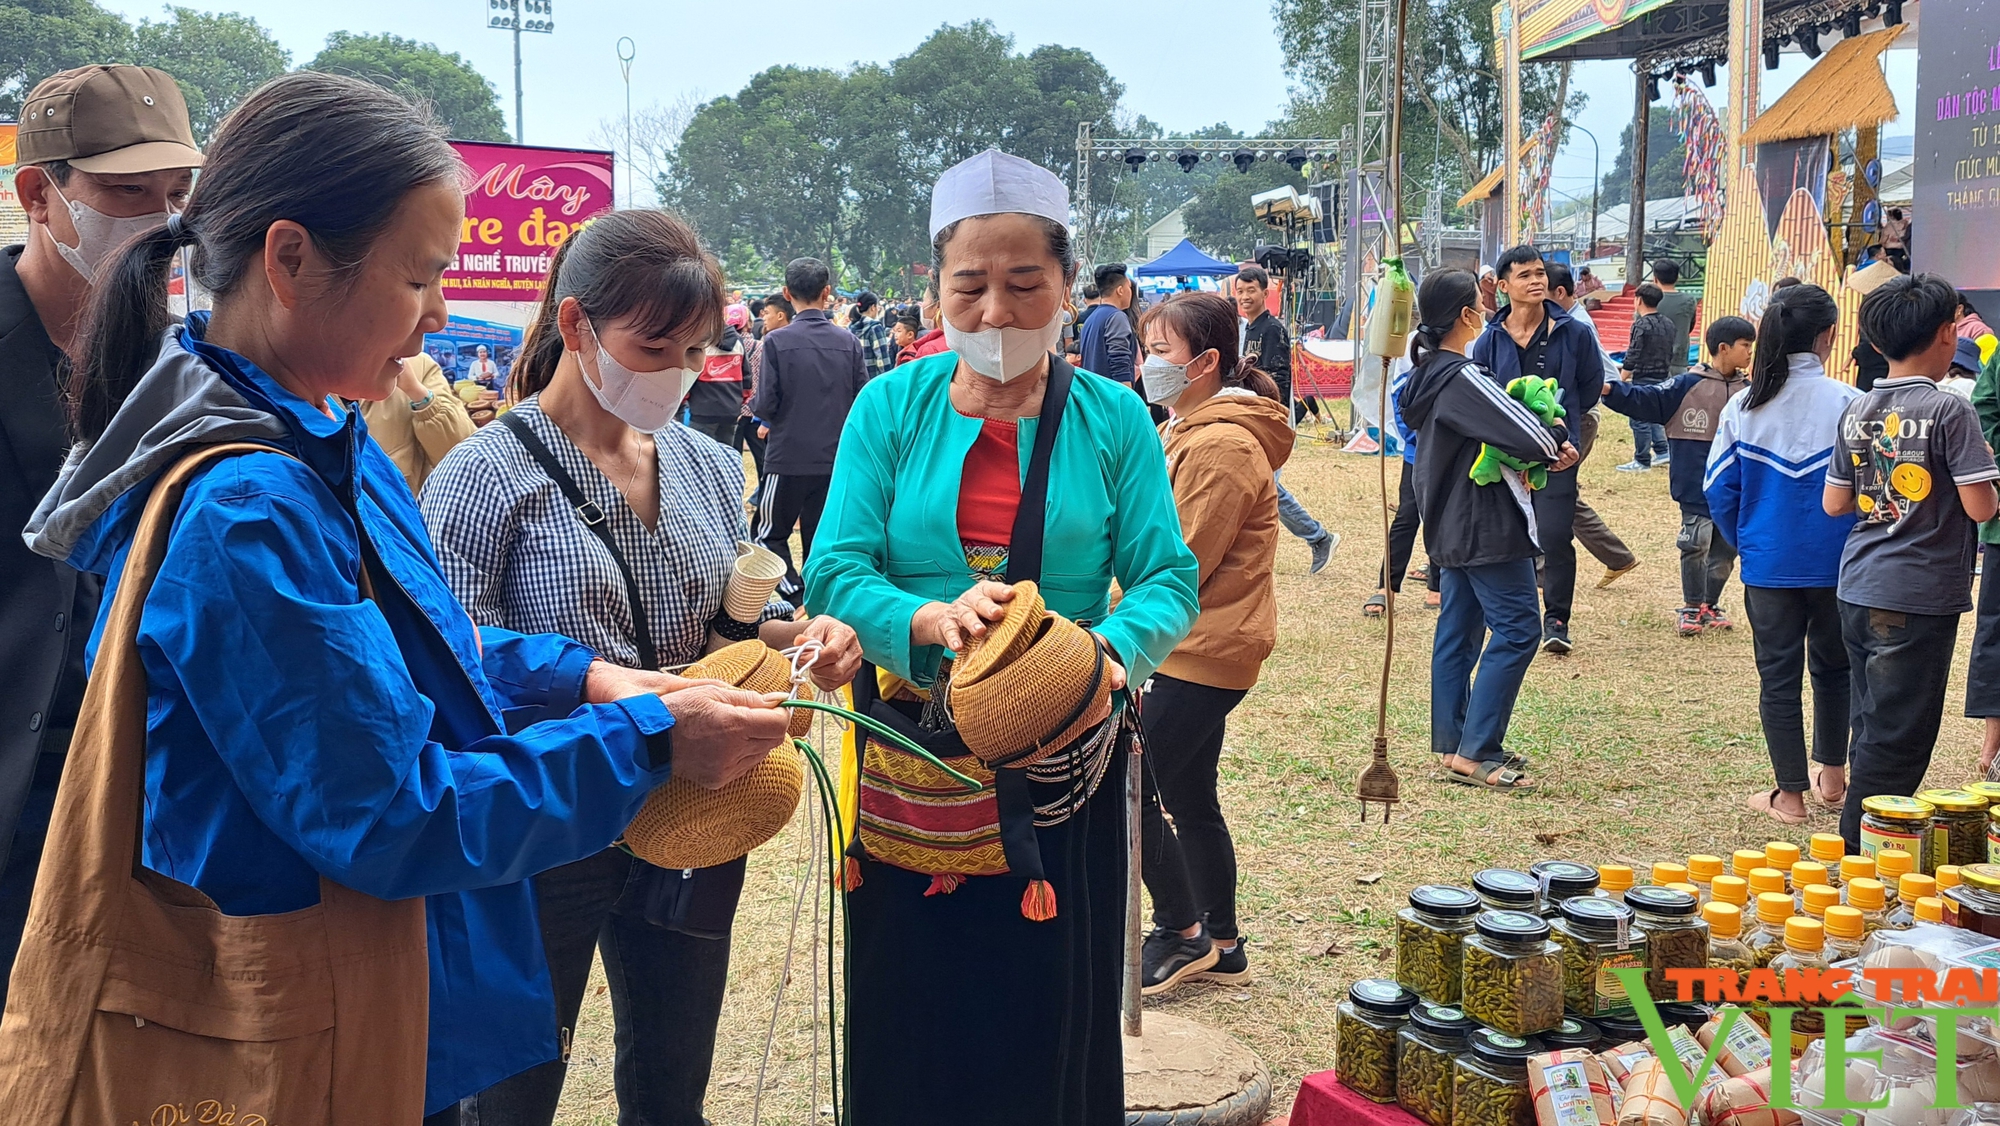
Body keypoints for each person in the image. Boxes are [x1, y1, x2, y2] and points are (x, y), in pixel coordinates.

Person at [18, 71, 792, 1121]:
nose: (438, 315)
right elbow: (387, 811)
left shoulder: (323, 435)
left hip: (363, 981)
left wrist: (590, 678)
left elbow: (412, 647)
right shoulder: (249, 507)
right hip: (295, 1012)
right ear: (291, 260)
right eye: (421, 275)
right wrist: (650, 744)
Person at [422, 208, 862, 1126]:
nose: (676, 373)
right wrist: (605, 697)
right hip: (546, 825)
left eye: (697, 352)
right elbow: (451, 665)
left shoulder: (704, 464)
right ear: (576, 325)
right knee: (510, 1092)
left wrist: (804, 633)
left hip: (697, 810)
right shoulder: (484, 476)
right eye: (655, 344)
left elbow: (729, 611)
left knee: (673, 1081)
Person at [804, 148, 1199, 1125]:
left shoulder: (1110, 418)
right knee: (912, 1003)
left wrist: (1101, 655)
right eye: (967, 287)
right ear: (933, 289)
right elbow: (836, 567)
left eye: (1024, 285)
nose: (993, 314)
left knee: (1042, 1009)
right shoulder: (888, 407)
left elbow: (1164, 577)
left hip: (1059, 756)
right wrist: (925, 620)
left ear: (1067, 285)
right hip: (909, 760)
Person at [0, 63, 200, 1005]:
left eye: (176, 194)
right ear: (39, 195)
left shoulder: (184, 368)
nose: (161, 223)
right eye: (127, 192)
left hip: (132, 795)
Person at [1130, 293, 1288, 996]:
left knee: (1122, 787)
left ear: (1207, 362)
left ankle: (1180, 928)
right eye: (1148, 350)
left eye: (1160, 352)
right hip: (1193, 645)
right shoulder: (1187, 428)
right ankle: (1221, 944)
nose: (1147, 366)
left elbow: (1179, 562)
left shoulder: (1221, 443)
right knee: (1189, 795)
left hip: (1197, 649)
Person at [1825, 273, 2000, 850]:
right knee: (1901, 734)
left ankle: (1857, 843)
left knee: (1871, 720)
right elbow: (1982, 508)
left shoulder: (1858, 408)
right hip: (1918, 593)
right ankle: (1863, 853)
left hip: (1858, 583)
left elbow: (1836, 502)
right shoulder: (1950, 410)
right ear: (1950, 335)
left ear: (1876, 343)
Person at [1400, 268, 1575, 791]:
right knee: (1520, 628)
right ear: (1465, 316)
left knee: (1458, 632)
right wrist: (1558, 434)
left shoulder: (1424, 376)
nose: (1487, 307)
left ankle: (1457, 742)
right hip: (1485, 522)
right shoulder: (1462, 375)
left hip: (1451, 521)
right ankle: (1477, 751)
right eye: (1481, 301)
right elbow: (1531, 434)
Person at [1705, 283, 1856, 827]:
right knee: (1836, 670)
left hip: (1770, 565)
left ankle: (1789, 796)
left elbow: (1720, 489)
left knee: (1778, 677)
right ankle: (1833, 778)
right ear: (1830, 336)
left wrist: (1750, 540)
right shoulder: (1851, 403)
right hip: (1842, 564)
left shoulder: (1745, 406)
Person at [1470, 245, 1605, 655]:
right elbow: (1482, 392)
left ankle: (1557, 619)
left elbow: (1589, 386)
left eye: (1540, 274)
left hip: (1558, 453)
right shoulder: (1490, 337)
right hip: (1504, 455)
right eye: (1525, 275)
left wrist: (1569, 440)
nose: (1537, 281)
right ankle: (1517, 613)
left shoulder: (1574, 332)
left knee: (1554, 534)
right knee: (1510, 533)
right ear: (1504, 285)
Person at [1606, 316, 1755, 635]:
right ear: (1724, 349)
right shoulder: (1687, 385)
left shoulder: (1749, 392)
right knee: (1695, 543)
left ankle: (1710, 604)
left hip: (1736, 490)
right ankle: (1690, 607)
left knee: (1726, 550)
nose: (1750, 353)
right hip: (1694, 486)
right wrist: (1609, 389)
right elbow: (1646, 399)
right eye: (1745, 346)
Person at [749, 256, 867, 603]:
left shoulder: (776, 342)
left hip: (787, 457)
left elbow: (766, 403)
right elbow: (862, 398)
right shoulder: (848, 342)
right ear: (827, 292)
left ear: (787, 293)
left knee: (768, 534)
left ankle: (794, 596)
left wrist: (760, 411)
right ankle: (818, 595)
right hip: (835, 458)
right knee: (823, 534)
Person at [1235, 264, 1339, 574]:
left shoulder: (1272, 329)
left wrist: (1270, 417)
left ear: (1266, 293)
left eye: (1250, 290)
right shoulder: (1249, 329)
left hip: (1270, 419)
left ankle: (1319, 537)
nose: (1244, 296)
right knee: (1261, 487)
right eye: (1240, 291)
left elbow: (1279, 379)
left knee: (1266, 487)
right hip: (1254, 416)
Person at [1548, 262, 1640, 589]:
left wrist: (1575, 395)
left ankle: (1545, 572)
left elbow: (1609, 378)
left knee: (1552, 491)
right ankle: (1616, 557)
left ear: (1559, 292)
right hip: (1570, 417)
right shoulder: (1565, 321)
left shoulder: (1577, 326)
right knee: (1555, 491)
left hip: (1578, 419)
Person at [1366, 359, 1441, 616]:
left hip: (1451, 453)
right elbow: (1400, 399)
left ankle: (1438, 585)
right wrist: (1419, 438)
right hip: (1417, 452)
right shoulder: (1413, 348)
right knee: (1407, 515)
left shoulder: (1471, 343)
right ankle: (1387, 586)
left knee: (1442, 516)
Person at [358, 352, 478, 496]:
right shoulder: (326, 367)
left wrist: (418, 392)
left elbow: (462, 456)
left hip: (403, 509)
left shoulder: (419, 364)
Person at [1615, 283, 1676, 471]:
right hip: (1663, 375)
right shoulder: (1668, 323)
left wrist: (1621, 378)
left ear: (1638, 300)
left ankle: (1642, 459)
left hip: (1643, 377)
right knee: (1656, 416)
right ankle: (1662, 450)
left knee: (1639, 419)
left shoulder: (1641, 325)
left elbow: (1633, 354)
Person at [688, 300, 749, 446]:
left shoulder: (700, 341)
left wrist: (684, 399)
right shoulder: (738, 341)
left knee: (701, 456)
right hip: (730, 410)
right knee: (726, 455)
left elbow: (690, 373)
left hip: (703, 410)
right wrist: (740, 402)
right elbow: (747, 377)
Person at [1077, 262, 1138, 382]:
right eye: (1129, 287)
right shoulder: (1117, 317)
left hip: (1094, 392)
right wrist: (1125, 395)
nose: (1130, 292)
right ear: (1120, 290)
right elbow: (1119, 361)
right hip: (1112, 395)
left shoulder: (1091, 319)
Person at [1650, 258, 1699, 361]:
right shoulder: (1689, 301)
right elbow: (1689, 327)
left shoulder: (1648, 299)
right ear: (1677, 278)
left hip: (1652, 360)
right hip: (1678, 360)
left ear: (1655, 279)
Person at [850, 289, 896, 380]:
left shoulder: (851, 327)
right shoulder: (875, 327)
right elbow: (882, 359)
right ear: (873, 307)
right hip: (872, 381)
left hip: (855, 380)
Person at [1881, 207, 1911, 272]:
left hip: (1891, 249)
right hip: (1903, 248)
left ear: (1891, 216)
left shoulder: (1889, 227)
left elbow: (1883, 241)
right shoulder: (1907, 224)